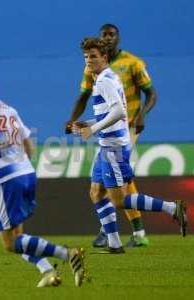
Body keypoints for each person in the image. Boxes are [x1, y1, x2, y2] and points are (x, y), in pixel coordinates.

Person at [0, 63, 87, 287]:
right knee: (19, 235)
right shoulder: (7, 107)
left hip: (6, 178)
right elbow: (30, 146)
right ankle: (47, 271)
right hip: (26, 172)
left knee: (10, 242)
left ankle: (68, 254)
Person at [72, 37, 187, 254]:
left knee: (119, 200)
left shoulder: (105, 80)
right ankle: (114, 244)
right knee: (96, 192)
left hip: (113, 148)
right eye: (86, 57)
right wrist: (87, 123)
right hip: (106, 146)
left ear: (104, 57)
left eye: (93, 56)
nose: (88, 60)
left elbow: (119, 113)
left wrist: (92, 130)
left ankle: (172, 208)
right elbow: (111, 113)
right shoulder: (104, 78)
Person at [66, 24, 158, 248]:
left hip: (127, 127)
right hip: (107, 128)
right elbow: (84, 96)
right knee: (101, 187)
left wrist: (142, 116)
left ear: (117, 38)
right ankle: (111, 232)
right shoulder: (92, 68)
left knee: (119, 182)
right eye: (104, 34)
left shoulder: (132, 63)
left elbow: (151, 94)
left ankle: (136, 230)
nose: (107, 37)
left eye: (111, 34)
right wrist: (73, 120)